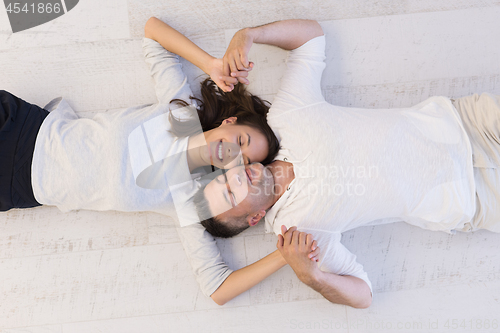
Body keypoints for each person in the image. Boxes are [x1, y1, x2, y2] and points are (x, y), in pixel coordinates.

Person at [191, 18, 500, 309]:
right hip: (474, 200)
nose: (235, 177)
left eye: (223, 177)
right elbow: (363, 294)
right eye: (232, 194)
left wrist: (249, 35)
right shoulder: (300, 232)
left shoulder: (287, 118)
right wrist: (312, 276)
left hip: (468, 123)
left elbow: (309, 38)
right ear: (255, 217)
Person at [0, 17, 280, 218]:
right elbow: (153, 32)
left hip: (18, 184)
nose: (232, 152)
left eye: (242, 162)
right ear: (228, 122)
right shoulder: (182, 115)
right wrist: (211, 64)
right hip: (25, 128)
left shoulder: (187, 197)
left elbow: (216, 285)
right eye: (241, 140)